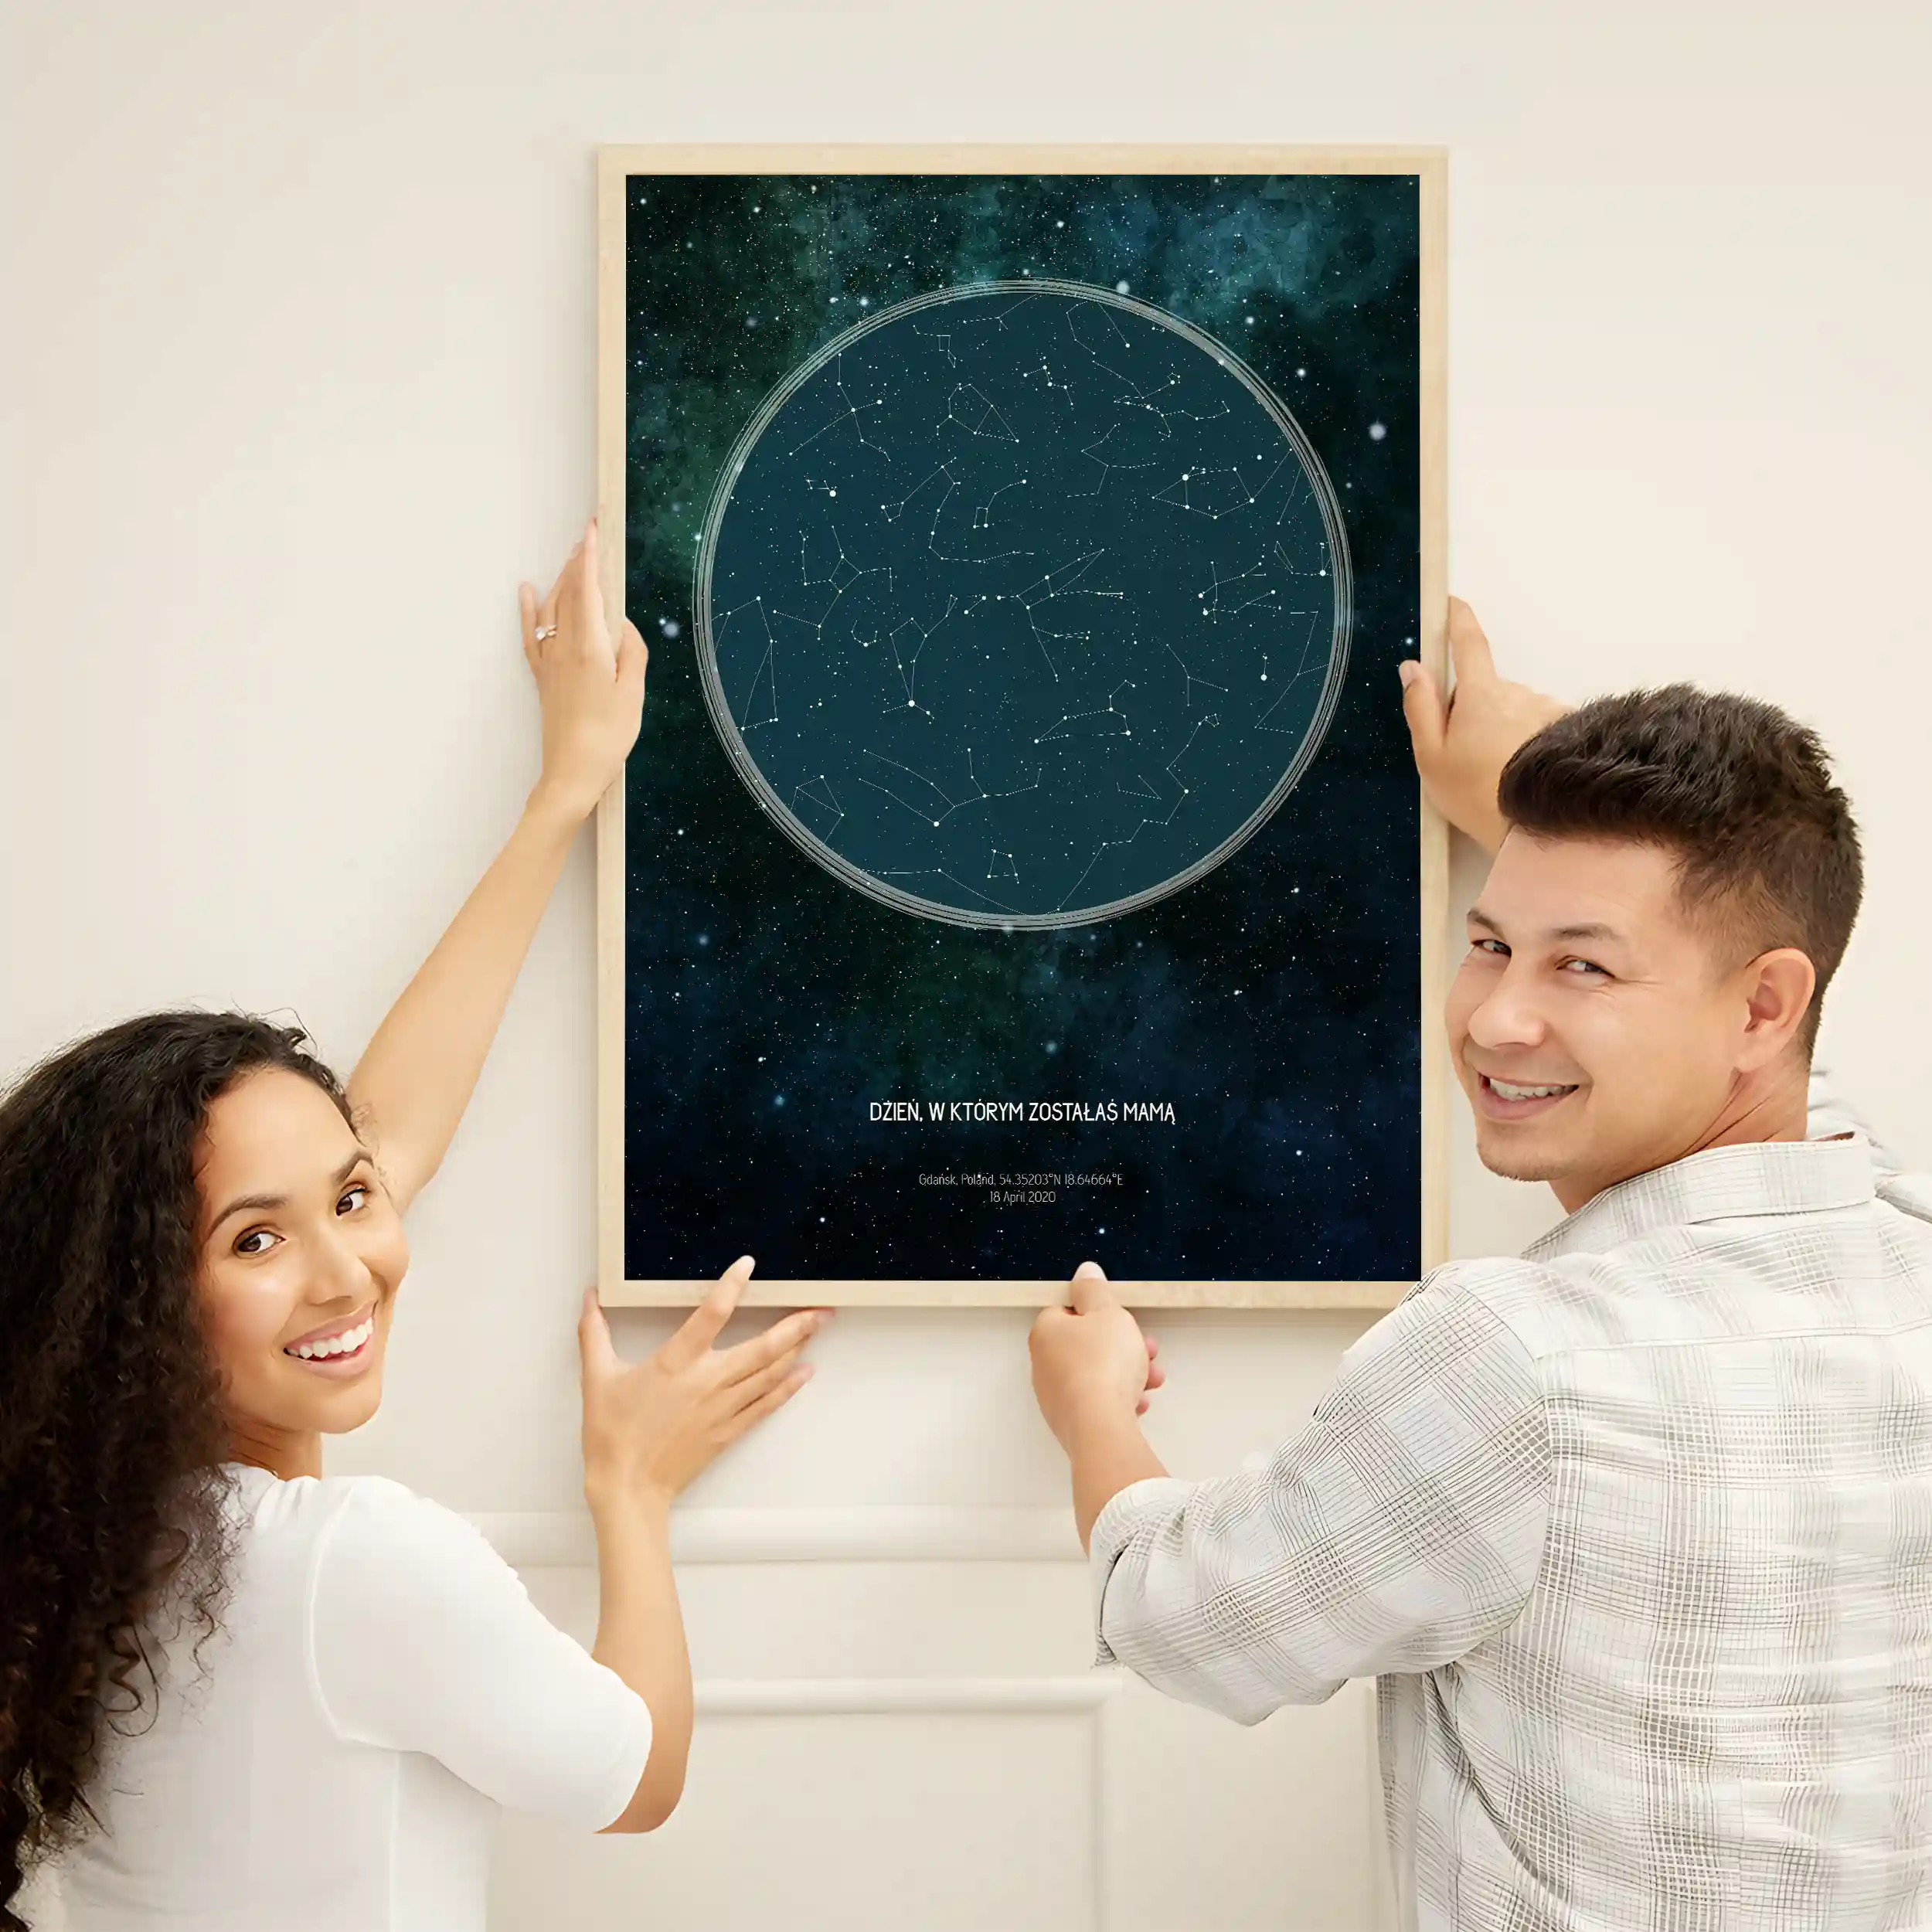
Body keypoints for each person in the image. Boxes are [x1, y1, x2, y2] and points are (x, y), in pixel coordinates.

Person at [1029, 601, 1932, 1930]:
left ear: (1761, 1005)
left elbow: (1185, 1621)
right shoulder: (1904, 1257)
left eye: (1584, 967)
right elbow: (1802, 1097)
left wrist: (1092, 1410)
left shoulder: (1520, 1359)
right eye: (1493, 943)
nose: (1497, 1018)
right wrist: (1535, 794)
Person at [0, 523, 827, 1932]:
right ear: (141, 1293)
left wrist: (563, 794)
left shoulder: (85, 1544)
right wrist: (631, 1488)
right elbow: (633, 1776)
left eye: (348, 1203)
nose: (351, 1272)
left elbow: (377, 1141)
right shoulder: (351, 1560)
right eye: (254, 1242)